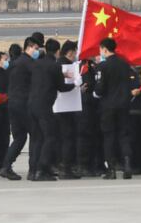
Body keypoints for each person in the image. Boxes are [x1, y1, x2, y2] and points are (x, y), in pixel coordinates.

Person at [28, 39, 77, 181]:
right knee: (50, 137)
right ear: (57, 51)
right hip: (44, 106)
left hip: (32, 104)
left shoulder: (36, 64)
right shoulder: (54, 66)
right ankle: (42, 169)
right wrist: (75, 84)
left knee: (37, 138)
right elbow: (61, 87)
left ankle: (33, 170)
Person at [94, 38, 138, 179]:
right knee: (124, 135)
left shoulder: (103, 66)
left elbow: (100, 88)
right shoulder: (124, 64)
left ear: (105, 49)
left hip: (108, 106)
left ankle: (111, 169)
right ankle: (127, 165)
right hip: (124, 104)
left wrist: (96, 92)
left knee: (109, 137)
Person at [1, 37, 40, 181]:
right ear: (28, 47)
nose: (37, 51)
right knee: (35, 136)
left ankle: (6, 166)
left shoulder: (14, 63)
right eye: (35, 48)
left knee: (19, 137)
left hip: (12, 104)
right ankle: (33, 170)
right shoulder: (30, 64)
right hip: (25, 104)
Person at [54, 40, 81, 179]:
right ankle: (66, 167)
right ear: (70, 52)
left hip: (61, 108)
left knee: (62, 137)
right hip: (66, 107)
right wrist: (76, 85)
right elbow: (63, 87)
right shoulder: (66, 66)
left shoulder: (58, 63)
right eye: (74, 51)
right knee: (67, 138)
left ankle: (62, 165)